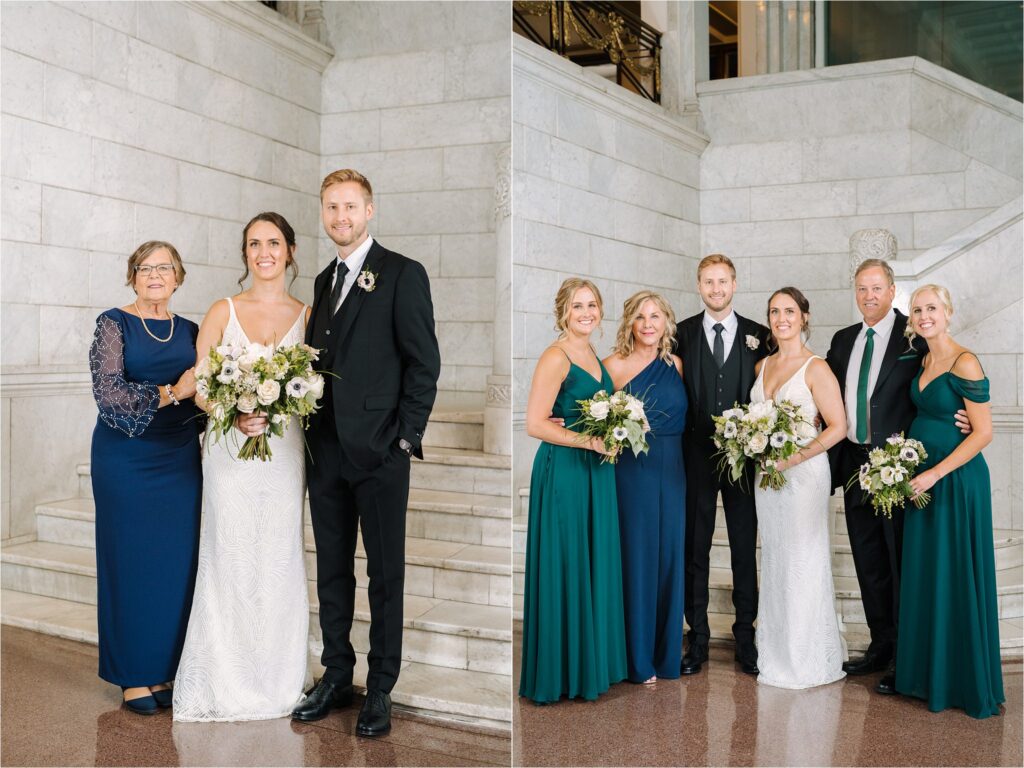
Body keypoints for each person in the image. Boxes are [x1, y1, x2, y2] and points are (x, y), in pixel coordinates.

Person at [292, 170, 440, 737]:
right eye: (331, 208)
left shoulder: (403, 273)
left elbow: (424, 363)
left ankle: (380, 687)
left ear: (370, 210)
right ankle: (336, 675)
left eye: (350, 207)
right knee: (332, 571)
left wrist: (404, 439)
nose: (340, 217)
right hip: (324, 452)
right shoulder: (325, 279)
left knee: (385, 576)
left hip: (379, 453)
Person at [173, 212, 311, 722]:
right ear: (245, 254)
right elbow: (203, 385)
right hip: (231, 453)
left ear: (290, 251)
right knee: (229, 553)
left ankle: (278, 676)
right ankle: (224, 678)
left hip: (283, 454)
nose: (264, 252)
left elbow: (312, 387)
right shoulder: (222, 310)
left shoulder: (307, 314)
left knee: (277, 554)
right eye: (254, 244)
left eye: (273, 242)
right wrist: (234, 411)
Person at [825, 259, 970, 683]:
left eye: (877, 288)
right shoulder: (842, 339)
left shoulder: (915, 332)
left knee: (900, 559)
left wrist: (966, 411)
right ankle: (880, 644)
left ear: (892, 291)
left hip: (896, 465)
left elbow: (951, 367)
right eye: (861, 288)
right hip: (854, 462)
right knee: (868, 560)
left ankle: (906, 656)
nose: (869, 296)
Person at [88, 241, 201, 715]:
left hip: (178, 459)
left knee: (175, 565)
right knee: (129, 562)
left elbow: (206, 392)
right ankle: (133, 676)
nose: (155, 275)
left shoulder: (192, 329)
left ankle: (163, 669)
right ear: (132, 276)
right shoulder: (114, 324)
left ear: (178, 277)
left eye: (165, 268)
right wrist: (174, 392)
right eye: (145, 268)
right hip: (125, 459)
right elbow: (109, 395)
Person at [887, 284, 1003, 718]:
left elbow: (984, 432)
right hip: (921, 481)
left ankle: (963, 681)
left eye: (931, 308)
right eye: (917, 310)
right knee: (929, 574)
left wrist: (934, 472)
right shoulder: (923, 359)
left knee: (955, 574)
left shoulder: (964, 360)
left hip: (954, 482)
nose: (923, 315)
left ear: (949, 312)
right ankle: (926, 677)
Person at [519, 278, 627, 703]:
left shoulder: (593, 356)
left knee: (592, 561)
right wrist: (590, 441)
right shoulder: (556, 356)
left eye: (593, 305)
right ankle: (562, 673)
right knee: (567, 562)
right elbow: (535, 422)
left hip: (595, 472)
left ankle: (590, 666)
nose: (587, 312)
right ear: (564, 312)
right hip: (565, 470)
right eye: (578, 306)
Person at [675, 254, 770, 676]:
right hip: (693, 457)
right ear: (699, 286)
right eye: (708, 282)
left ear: (735, 284)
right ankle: (697, 640)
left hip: (743, 461)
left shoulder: (760, 336)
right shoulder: (680, 334)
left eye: (723, 281)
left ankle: (745, 638)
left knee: (743, 549)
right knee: (694, 548)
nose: (716, 289)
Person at [750, 288, 847, 689]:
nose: (781, 318)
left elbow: (839, 427)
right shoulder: (762, 365)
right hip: (767, 478)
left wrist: (792, 459)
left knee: (802, 559)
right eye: (774, 311)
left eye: (789, 311)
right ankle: (776, 651)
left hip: (803, 476)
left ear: (804, 317)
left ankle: (807, 659)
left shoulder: (816, 367)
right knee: (775, 559)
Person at [602, 291, 687, 683]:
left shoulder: (677, 365)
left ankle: (665, 655)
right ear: (629, 324)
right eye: (640, 317)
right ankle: (636, 660)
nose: (648, 324)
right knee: (636, 560)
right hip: (632, 474)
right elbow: (591, 416)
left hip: (673, 474)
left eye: (655, 316)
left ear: (667, 322)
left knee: (669, 559)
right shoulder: (613, 365)